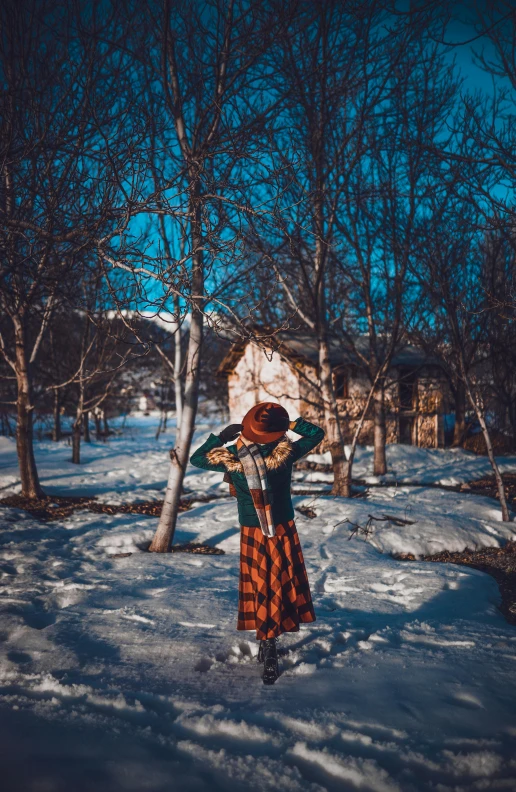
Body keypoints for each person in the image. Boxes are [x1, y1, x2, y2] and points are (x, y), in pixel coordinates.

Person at [190, 402, 325, 685]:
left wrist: (221, 437)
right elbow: (316, 434)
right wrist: (290, 426)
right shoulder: (285, 453)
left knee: (261, 584)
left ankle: (268, 643)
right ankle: (270, 642)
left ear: (250, 428)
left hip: (253, 531)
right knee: (279, 584)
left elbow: (197, 458)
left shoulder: (233, 457)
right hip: (283, 528)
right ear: (275, 431)